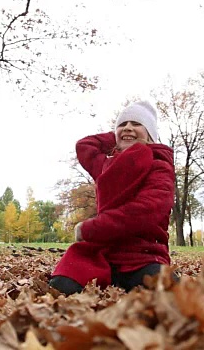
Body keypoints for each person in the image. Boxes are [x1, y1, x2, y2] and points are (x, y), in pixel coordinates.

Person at [49, 100, 176, 295]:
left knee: (168, 294)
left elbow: (145, 211)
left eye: (136, 124)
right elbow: (85, 146)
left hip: (142, 256)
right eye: (123, 124)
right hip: (101, 254)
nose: (128, 128)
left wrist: (91, 229)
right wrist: (119, 136)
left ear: (150, 133)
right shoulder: (106, 165)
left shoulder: (160, 166)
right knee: (62, 287)